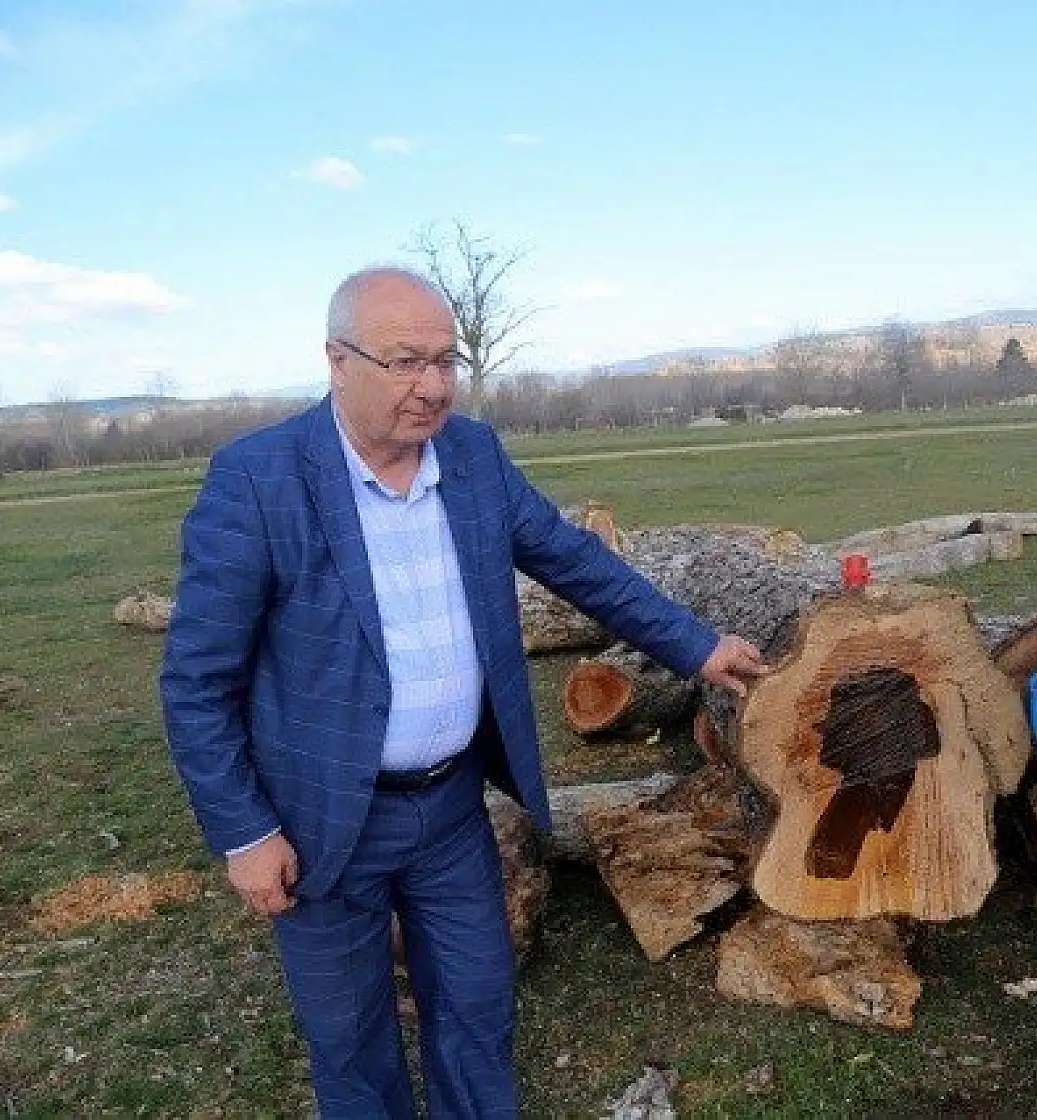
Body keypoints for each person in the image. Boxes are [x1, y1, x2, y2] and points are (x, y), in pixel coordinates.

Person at [159, 266, 765, 1117]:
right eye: (408, 362)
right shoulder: (260, 481)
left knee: (478, 1011)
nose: (434, 387)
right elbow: (195, 682)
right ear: (338, 361)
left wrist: (696, 646)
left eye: (447, 361)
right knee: (354, 1044)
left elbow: (574, 560)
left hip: (448, 812)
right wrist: (245, 832)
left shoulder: (472, 456)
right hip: (321, 819)